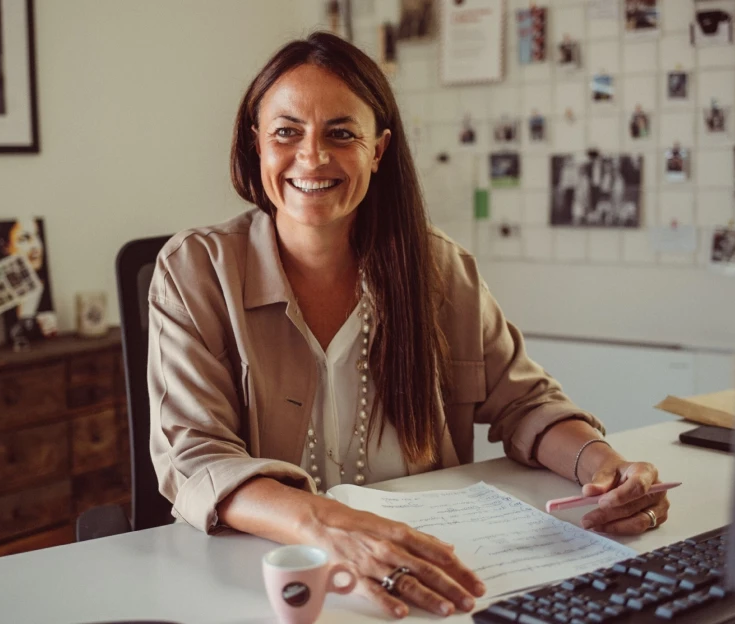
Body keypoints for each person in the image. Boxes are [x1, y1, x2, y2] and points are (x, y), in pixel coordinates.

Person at [147, 32, 670, 619]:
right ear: (257, 146)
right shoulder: (195, 269)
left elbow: (528, 404)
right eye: (286, 132)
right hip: (261, 586)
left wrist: (602, 466)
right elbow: (195, 457)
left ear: (379, 149)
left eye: (342, 133)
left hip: (426, 580)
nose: (312, 156)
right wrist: (331, 526)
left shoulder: (440, 268)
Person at [0, 217, 57, 340]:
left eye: (37, 236)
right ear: (5, 247)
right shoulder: (3, 293)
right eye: (24, 239)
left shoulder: (46, 290)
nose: (35, 247)